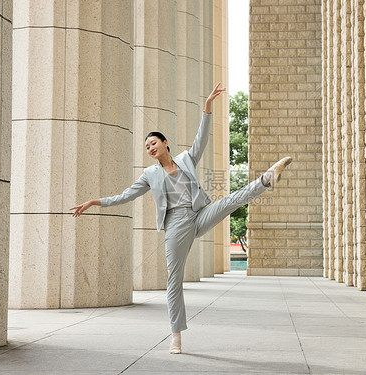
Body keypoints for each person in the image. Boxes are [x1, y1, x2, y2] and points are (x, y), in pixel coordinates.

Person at [70, 83, 292, 354]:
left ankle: (267, 178)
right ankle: (176, 335)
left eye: (153, 142)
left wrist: (207, 108)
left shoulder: (186, 159)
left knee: (230, 201)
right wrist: (95, 202)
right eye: (147, 146)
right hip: (175, 225)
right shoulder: (149, 175)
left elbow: (202, 139)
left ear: (165, 143)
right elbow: (125, 196)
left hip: (198, 214)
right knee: (174, 279)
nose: (150, 148)